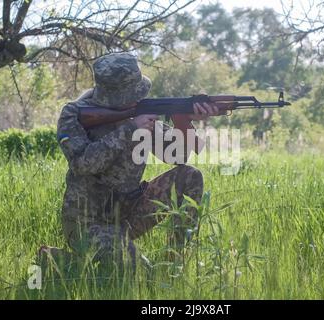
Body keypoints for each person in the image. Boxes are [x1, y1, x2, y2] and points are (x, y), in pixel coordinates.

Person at [55, 52, 218, 267]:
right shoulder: (74, 114)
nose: (138, 98)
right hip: (86, 222)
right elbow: (82, 164)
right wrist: (131, 129)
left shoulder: (140, 114)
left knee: (190, 176)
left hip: (128, 214)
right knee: (138, 271)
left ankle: (174, 263)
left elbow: (177, 156)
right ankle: (56, 260)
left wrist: (185, 121)